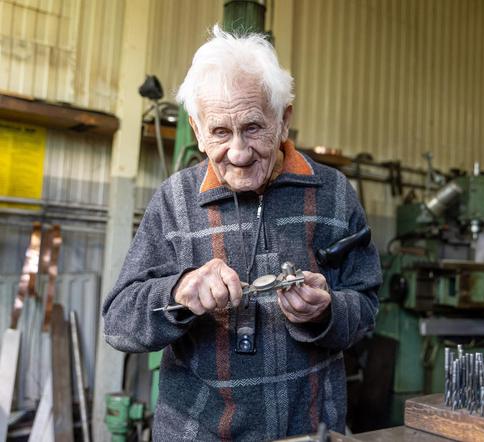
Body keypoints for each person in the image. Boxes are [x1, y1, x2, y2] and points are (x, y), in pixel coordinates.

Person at [102, 26, 382, 441]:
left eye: (252, 127)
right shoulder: (174, 202)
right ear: (196, 130)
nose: (238, 152)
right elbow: (119, 323)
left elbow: (368, 308)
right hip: (197, 433)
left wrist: (325, 312)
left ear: (283, 119)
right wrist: (180, 292)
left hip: (308, 432)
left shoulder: (334, 194)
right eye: (219, 132)